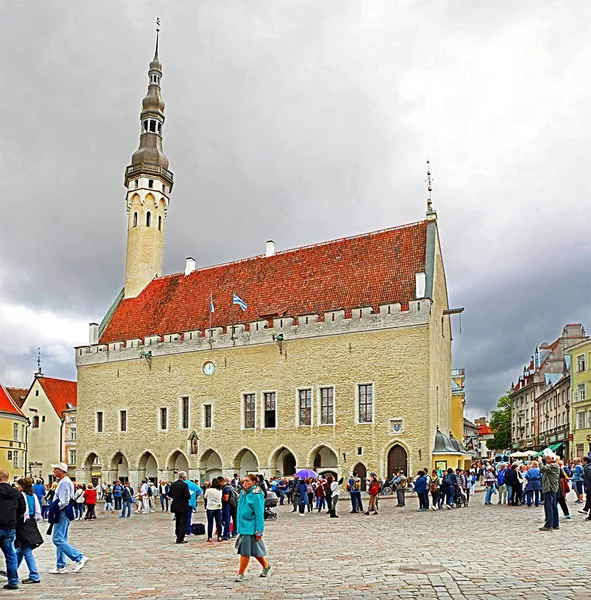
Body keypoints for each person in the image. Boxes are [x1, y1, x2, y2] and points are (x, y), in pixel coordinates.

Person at [48, 462, 89, 574]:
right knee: (61, 539)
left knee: (57, 539)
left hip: (62, 512)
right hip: (63, 512)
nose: (53, 471)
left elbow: (65, 500)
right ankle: (61, 565)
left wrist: (56, 509)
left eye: (55, 469)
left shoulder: (65, 482)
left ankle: (79, 558)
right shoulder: (63, 482)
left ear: (61, 471)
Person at [234, 473, 271, 582]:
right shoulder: (243, 493)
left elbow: (259, 514)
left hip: (250, 527)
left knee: (245, 552)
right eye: (243, 481)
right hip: (243, 526)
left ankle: (240, 573)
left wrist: (259, 531)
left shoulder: (256, 495)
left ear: (254, 482)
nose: (244, 483)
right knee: (254, 550)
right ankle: (266, 566)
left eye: (247, 481)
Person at [0, 469, 26, 589]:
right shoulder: (17, 493)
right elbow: (22, 510)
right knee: (10, 555)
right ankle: (13, 581)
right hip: (10, 527)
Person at [15, 477, 43, 585]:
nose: (16, 487)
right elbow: (37, 510)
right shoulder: (33, 495)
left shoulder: (21, 496)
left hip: (23, 522)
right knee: (20, 550)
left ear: (22, 486)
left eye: (18, 485)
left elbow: (20, 510)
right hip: (31, 521)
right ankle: (11, 571)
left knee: (26, 549)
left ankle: (34, 575)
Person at [539, 453, 560, 531]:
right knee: (553, 506)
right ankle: (555, 524)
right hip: (551, 488)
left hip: (549, 488)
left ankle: (549, 525)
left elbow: (542, 468)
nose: (546, 460)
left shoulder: (553, 465)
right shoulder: (553, 465)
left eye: (548, 459)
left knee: (549, 506)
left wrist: (540, 461)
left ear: (552, 459)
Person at [169, 472, 191, 543]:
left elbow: (170, 494)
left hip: (175, 505)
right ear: (184, 477)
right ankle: (180, 538)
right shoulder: (184, 485)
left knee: (178, 521)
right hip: (183, 506)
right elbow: (187, 496)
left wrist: (176, 497)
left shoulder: (173, 484)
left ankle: (178, 534)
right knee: (183, 522)